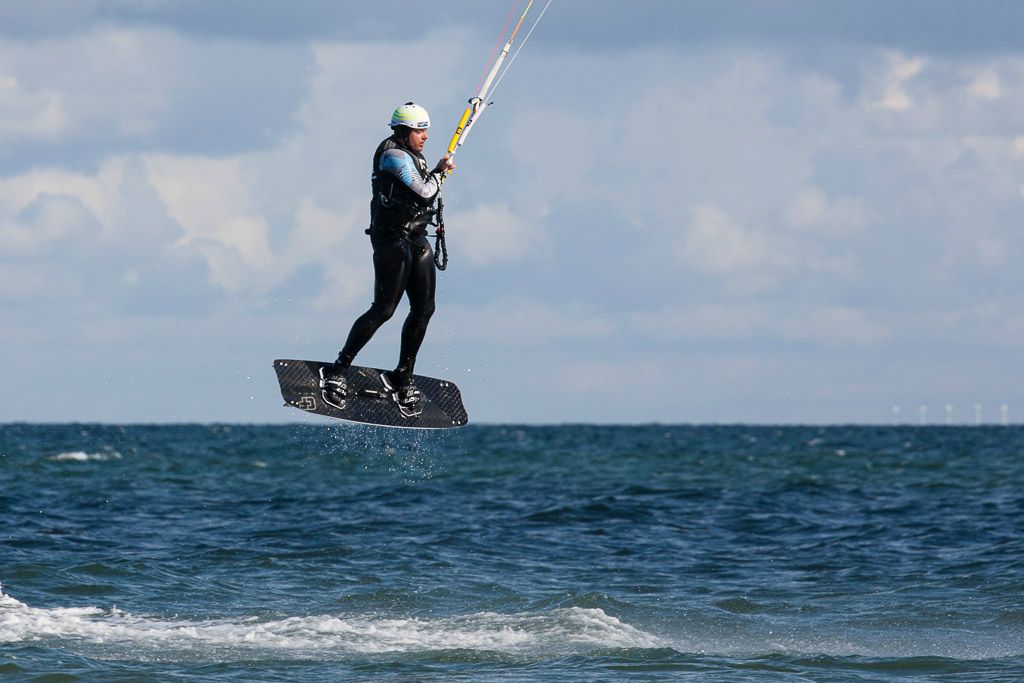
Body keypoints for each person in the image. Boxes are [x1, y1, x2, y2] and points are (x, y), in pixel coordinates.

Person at [320, 102, 455, 417]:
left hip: (417, 240)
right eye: (419, 131)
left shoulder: (416, 156)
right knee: (384, 309)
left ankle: (402, 376)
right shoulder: (392, 154)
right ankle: (338, 370)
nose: (424, 136)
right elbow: (424, 193)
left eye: (426, 130)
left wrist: (435, 171)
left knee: (425, 309)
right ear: (404, 131)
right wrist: (440, 175)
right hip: (391, 240)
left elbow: (424, 189)